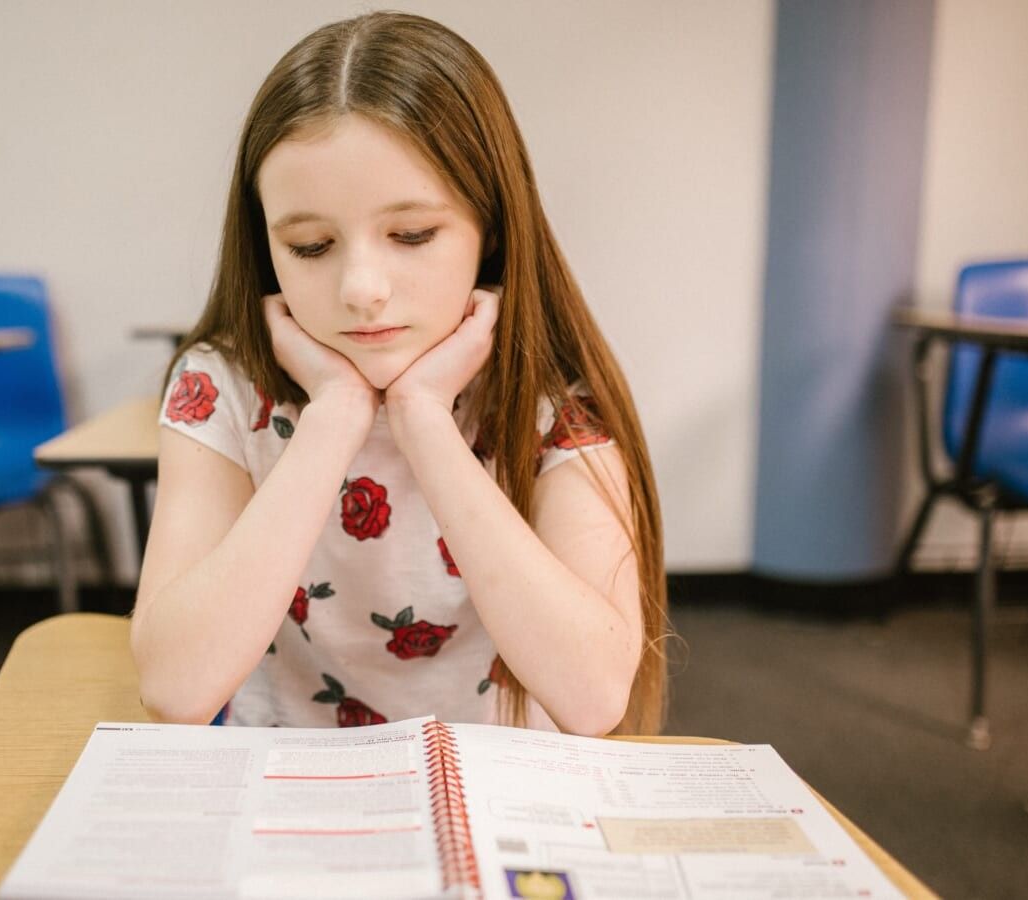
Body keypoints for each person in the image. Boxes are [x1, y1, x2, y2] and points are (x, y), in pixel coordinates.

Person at [131, 10, 668, 736]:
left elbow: (596, 695)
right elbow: (174, 686)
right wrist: (333, 419)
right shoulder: (219, 385)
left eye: (412, 235)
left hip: (500, 790)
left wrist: (422, 419)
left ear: (492, 232)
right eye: (312, 245)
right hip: (293, 784)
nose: (361, 288)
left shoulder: (552, 396)